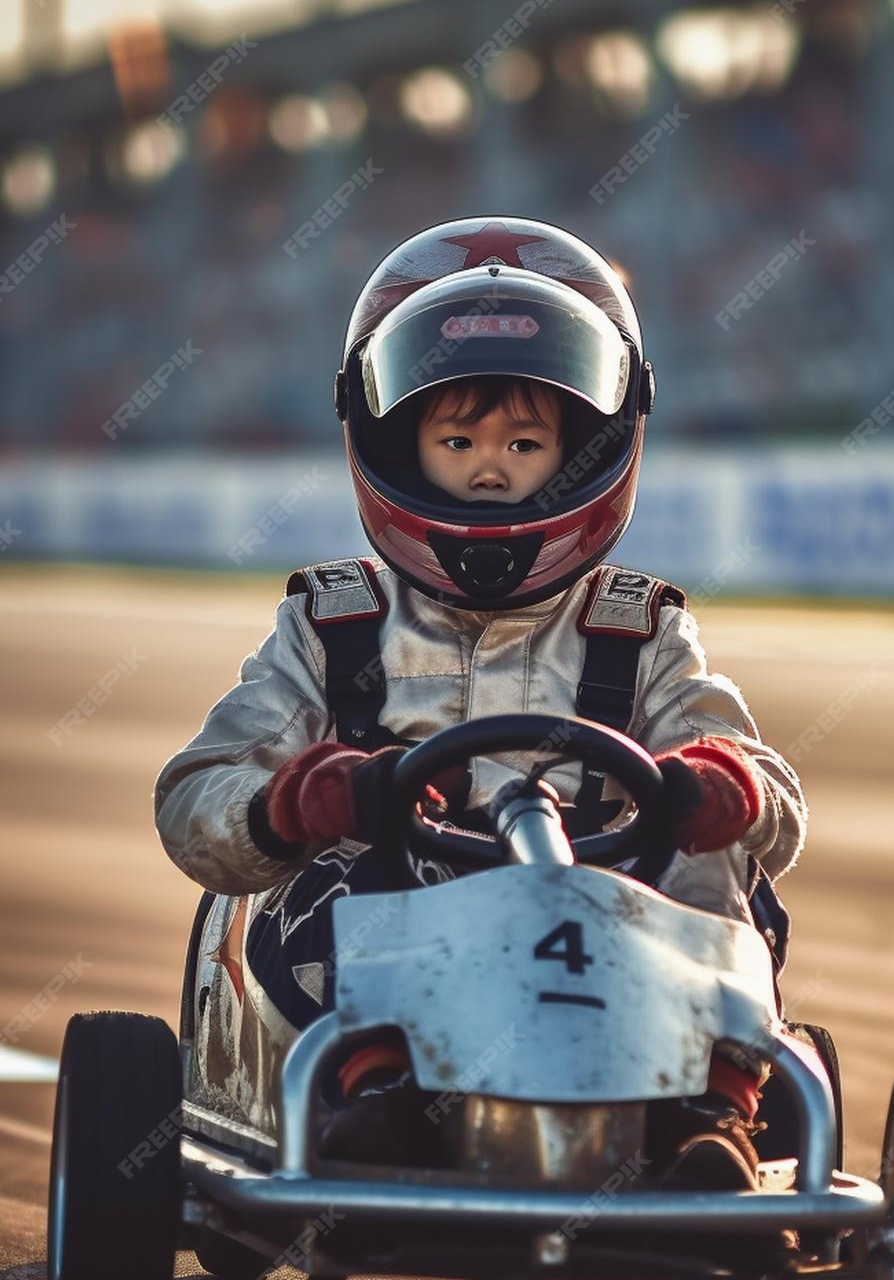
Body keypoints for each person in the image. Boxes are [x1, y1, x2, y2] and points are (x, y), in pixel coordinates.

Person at [154, 217, 806, 1189]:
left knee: (713, 839)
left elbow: (768, 796)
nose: (491, 467)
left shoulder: (640, 631)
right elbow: (192, 796)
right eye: (457, 439)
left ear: (588, 445)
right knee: (339, 848)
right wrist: (294, 798)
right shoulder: (331, 626)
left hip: (606, 945)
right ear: (394, 441)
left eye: (525, 441)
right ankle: (376, 1097)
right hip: (393, 966)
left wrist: (723, 785)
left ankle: (709, 1115)